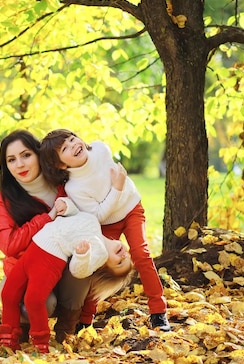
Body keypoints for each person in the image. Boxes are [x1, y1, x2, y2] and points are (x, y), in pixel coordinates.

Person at [40, 128, 171, 331]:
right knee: (98, 265)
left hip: (131, 208)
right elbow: (99, 214)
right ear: (60, 164)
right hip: (106, 223)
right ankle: (85, 319)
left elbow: (112, 191)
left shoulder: (101, 150)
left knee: (141, 254)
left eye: (73, 138)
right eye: (65, 148)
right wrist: (117, 187)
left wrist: (119, 191)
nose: (74, 145)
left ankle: (158, 312)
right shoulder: (75, 188)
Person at [0, 129, 100, 343]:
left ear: (39, 154)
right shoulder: (5, 199)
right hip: (26, 272)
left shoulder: (67, 186)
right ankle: (24, 327)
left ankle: (67, 328)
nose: (20, 165)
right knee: (39, 303)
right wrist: (47, 218)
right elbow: (9, 244)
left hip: (65, 270)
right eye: (12, 160)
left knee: (84, 253)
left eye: (26, 155)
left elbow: (91, 229)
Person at [0, 211, 134, 353]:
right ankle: (7, 337)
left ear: (104, 266)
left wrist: (82, 256)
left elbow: (78, 271)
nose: (124, 255)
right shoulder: (95, 223)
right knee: (8, 293)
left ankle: (40, 342)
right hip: (35, 247)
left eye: (120, 263)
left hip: (50, 257)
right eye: (128, 256)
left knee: (33, 299)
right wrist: (67, 205)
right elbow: (76, 212)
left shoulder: (98, 254)